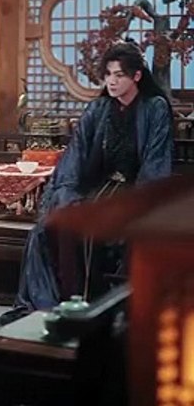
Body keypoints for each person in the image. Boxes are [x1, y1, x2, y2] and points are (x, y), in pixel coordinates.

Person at [13, 41, 173, 313]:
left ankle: (98, 306)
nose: (112, 81)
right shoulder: (98, 109)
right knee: (60, 222)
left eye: (119, 75)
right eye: (108, 74)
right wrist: (67, 194)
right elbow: (75, 155)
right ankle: (69, 301)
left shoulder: (155, 108)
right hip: (99, 188)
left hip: (134, 191)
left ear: (136, 76)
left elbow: (155, 163)